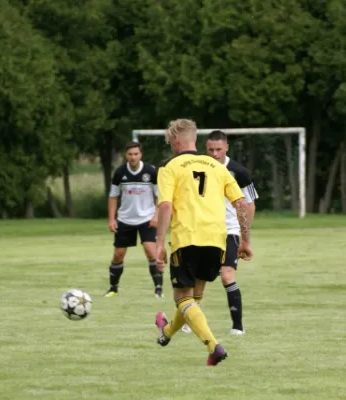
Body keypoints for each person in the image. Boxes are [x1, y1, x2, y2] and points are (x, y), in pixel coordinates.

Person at [154, 119, 253, 366]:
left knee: (182, 298)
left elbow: (165, 205)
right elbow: (241, 204)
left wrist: (158, 245)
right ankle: (166, 333)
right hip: (217, 240)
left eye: (169, 141)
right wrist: (244, 240)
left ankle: (213, 346)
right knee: (193, 298)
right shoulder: (217, 166)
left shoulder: (169, 166)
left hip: (187, 239)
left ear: (176, 140)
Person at [181, 130, 258, 335]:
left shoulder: (238, 172)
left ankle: (237, 326)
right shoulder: (201, 169)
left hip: (230, 231)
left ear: (226, 148)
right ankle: (190, 320)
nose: (214, 153)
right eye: (211, 149)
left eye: (218, 149)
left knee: (226, 275)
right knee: (199, 278)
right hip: (206, 231)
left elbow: (249, 206)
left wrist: (244, 237)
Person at [104, 142, 163, 298]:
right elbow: (113, 196)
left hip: (147, 219)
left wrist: (156, 216)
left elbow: (160, 196)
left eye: (136, 154)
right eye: (130, 154)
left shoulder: (151, 171)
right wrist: (111, 219)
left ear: (141, 154)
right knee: (118, 255)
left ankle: (158, 289)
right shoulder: (120, 172)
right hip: (125, 219)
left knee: (151, 252)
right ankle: (113, 288)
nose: (133, 157)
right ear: (126, 155)